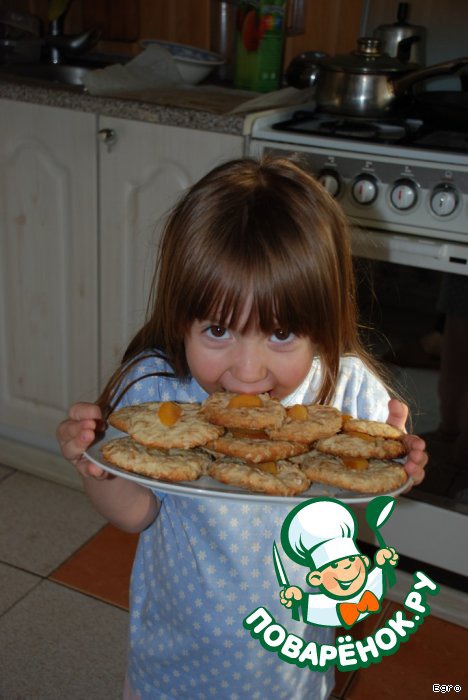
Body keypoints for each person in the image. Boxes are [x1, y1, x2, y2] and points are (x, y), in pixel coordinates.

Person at [57, 156, 427, 700]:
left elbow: (364, 485)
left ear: (321, 326)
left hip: (291, 667)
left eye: (280, 333)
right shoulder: (160, 391)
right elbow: (136, 515)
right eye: (216, 329)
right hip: (174, 657)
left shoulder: (343, 393)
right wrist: (97, 467)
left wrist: (395, 461)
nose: (248, 373)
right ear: (180, 316)